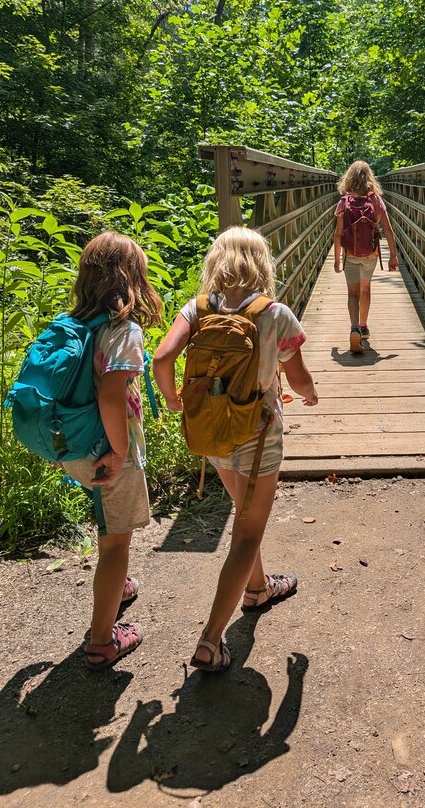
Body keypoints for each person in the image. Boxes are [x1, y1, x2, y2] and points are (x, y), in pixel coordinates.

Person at [153, 226, 318, 673]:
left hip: (211, 429)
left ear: (217, 262)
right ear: (261, 264)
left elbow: (161, 359)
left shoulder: (197, 308)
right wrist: (310, 394)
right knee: (247, 532)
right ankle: (210, 640)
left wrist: (174, 400)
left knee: (244, 514)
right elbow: (299, 378)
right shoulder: (276, 314)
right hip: (258, 432)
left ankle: (258, 588)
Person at [61, 231, 162, 669]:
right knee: (116, 545)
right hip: (107, 450)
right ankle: (103, 641)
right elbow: (111, 393)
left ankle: (115, 588)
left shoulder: (75, 324)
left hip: (74, 445)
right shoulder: (123, 329)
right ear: (131, 278)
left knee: (107, 527)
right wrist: (121, 452)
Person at [333, 160, 399, 354]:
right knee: (366, 289)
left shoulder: (343, 202)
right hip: (371, 253)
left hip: (350, 254)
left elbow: (337, 234)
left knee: (352, 293)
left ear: (349, 178)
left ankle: (353, 327)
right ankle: (363, 326)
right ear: (370, 178)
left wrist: (337, 259)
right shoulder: (376, 200)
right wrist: (393, 256)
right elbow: (387, 229)